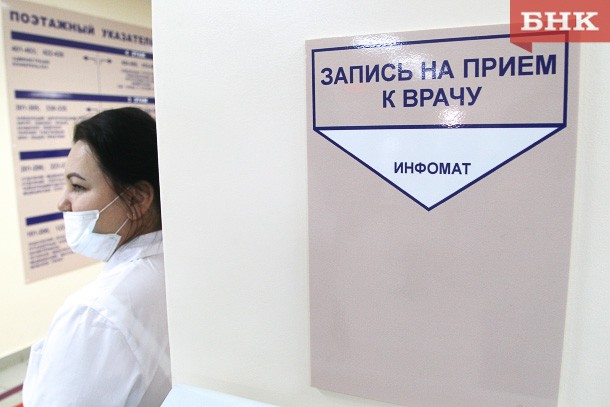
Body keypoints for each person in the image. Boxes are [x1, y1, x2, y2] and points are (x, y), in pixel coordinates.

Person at [22, 107, 171, 406]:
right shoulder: (174, 267)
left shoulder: (94, 314)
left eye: (78, 186)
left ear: (137, 198)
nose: (62, 202)